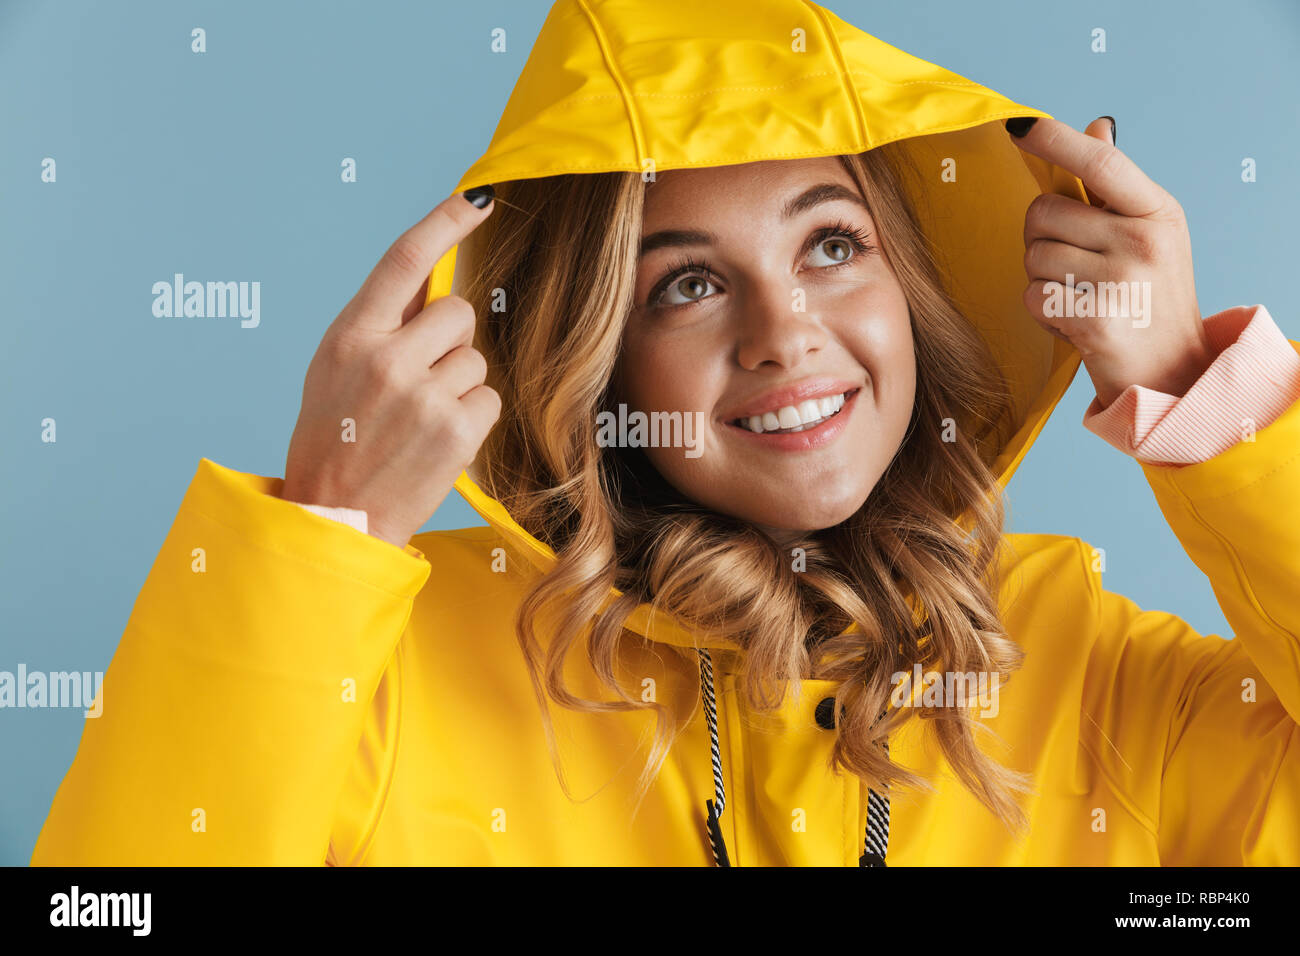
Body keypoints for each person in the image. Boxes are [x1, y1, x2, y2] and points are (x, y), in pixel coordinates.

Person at [31, 0, 1300, 866]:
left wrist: (1209, 397)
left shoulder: (1084, 670)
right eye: (685, 282)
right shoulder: (401, 666)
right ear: (597, 354)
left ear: (909, 289)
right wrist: (321, 531)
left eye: (832, 244)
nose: (785, 331)